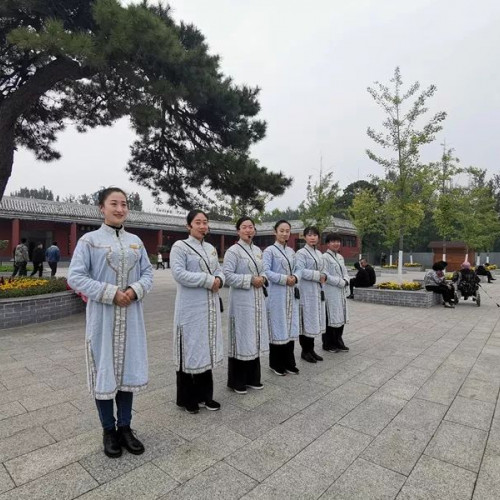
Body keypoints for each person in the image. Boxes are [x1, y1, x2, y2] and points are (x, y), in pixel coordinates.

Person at [67, 187, 153, 459]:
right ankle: (108, 430)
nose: (120, 209)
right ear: (101, 208)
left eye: (124, 204)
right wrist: (110, 293)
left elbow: (148, 273)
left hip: (132, 317)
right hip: (103, 318)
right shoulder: (89, 241)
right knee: (104, 372)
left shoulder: (136, 241)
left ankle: (125, 427)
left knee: (128, 372)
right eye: (114, 204)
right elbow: (75, 277)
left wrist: (134, 290)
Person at [170, 209, 224, 414]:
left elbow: (219, 270)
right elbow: (179, 274)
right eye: (198, 222)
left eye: (205, 222)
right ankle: (187, 399)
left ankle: (205, 396)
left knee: (205, 348)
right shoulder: (180, 246)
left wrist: (219, 279)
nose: (203, 226)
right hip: (190, 308)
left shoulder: (210, 248)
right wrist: (209, 280)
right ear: (189, 226)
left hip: (209, 306)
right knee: (189, 348)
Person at [223, 216, 269, 394]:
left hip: (257, 299)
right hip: (241, 301)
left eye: (251, 227)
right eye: (244, 227)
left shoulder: (257, 250)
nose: (248, 230)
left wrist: (263, 278)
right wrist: (250, 279)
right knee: (242, 336)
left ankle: (253, 378)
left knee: (254, 335)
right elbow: (227, 276)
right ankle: (237, 381)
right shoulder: (233, 251)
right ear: (238, 231)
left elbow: (263, 270)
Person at [263, 220, 301, 376]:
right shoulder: (269, 251)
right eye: (282, 231)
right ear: (275, 232)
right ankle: (275, 363)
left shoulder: (291, 251)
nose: (285, 234)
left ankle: (289, 362)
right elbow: (266, 271)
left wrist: (295, 277)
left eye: (287, 231)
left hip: (290, 294)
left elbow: (299, 268)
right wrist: (284, 279)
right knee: (278, 326)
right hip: (277, 294)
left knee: (290, 326)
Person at [295, 226, 326, 363]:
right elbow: (300, 271)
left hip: (317, 290)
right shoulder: (301, 253)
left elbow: (324, 269)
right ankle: (305, 351)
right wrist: (318, 275)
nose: (312, 237)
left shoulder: (319, 253)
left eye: (315, 235)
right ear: (305, 237)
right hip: (306, 290)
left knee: (313, 320)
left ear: (318, 237)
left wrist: (324, 275)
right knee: (306, 320)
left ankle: (311, 349)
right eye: (309, 235)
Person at [323, 233, 350, 352]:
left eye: (338, 241)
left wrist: (346, 280)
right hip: (331, 292)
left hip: (341, 292)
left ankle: (338, 341)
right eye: (333, 241)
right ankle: (328, 344)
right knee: (331, 317)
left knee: (341, 316)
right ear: (328, 244)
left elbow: (345, 272)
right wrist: (340, 282)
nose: (336, 244)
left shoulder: (340, 257)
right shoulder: (324, 257)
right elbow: (325, 275)